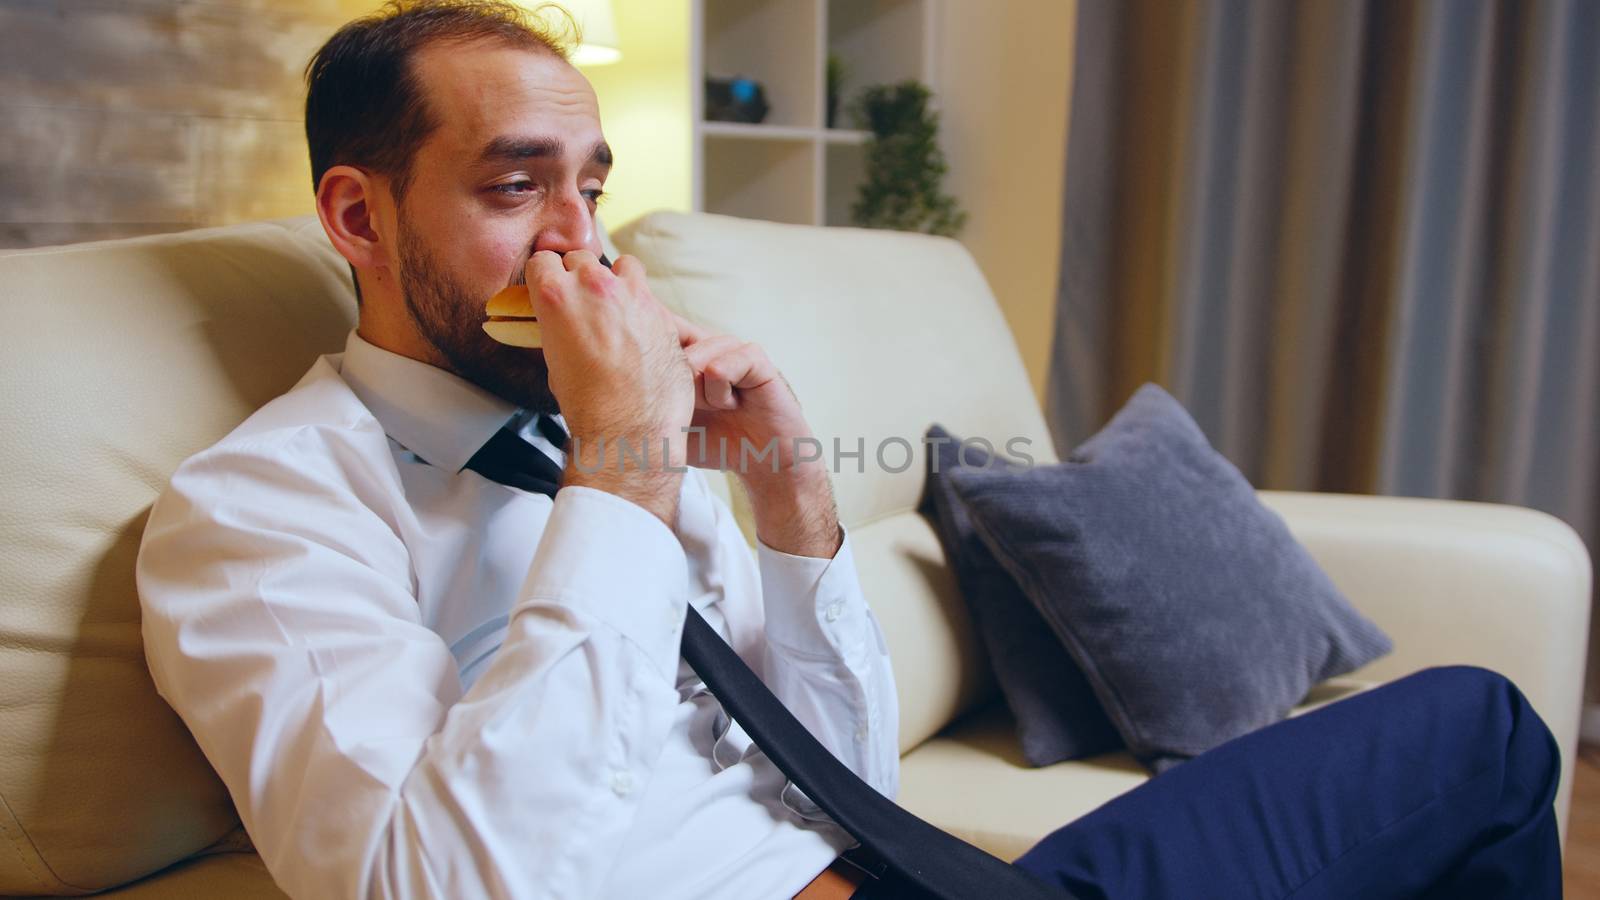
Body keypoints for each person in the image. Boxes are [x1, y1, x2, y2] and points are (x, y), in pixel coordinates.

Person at [135, 3, 1564, 898]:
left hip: (916, 875)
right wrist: (623, 466)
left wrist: (792, 508)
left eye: (592, 188)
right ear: (358, 219)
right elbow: (443, 885)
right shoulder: (263, 514)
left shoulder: (613, 424)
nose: (579, 241)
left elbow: (845, 775)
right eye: (516, 188)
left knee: (1477, 729)